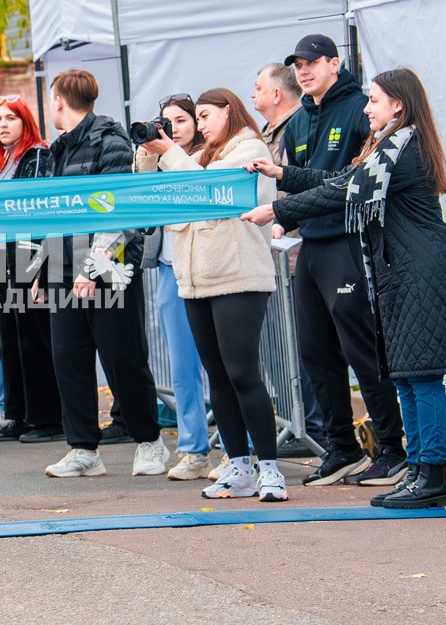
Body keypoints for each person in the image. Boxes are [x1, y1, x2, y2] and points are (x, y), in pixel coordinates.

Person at [245, 68, 446, 508]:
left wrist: (278, 207)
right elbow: (339, 180)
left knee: (422, 379)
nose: (367, 109)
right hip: (398, 271)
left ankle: (433, 475)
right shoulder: (390, 145)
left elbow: (344, 191)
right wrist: (282, 172)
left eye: (375, 101)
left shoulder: (403, 147)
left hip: (417, 272)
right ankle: (418, 470)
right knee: (404, 376)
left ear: (397, 105)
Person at [140, 88, 286, 502]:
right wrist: (150, 150)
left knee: (242, 372)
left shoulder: (249, 147)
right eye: (196, 117)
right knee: (218, 377)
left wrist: (169, 150)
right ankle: (238, 465)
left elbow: (204, 190)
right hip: (196, 279)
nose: (200, 124)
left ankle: (269, 469)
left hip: (238, 277)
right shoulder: (202, 155)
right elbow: (155, 190)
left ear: (229, 111)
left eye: (205, 115)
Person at [278, 35, 406, 488]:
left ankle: (393, 449)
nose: (304, 70)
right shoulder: (297, 123)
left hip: (348, 243)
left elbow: (352, 179)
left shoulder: (358, 109)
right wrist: (282, 219)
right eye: (297, 64)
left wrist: (286, 205)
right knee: (315, 351)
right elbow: (297, 185)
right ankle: (342, 448)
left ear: (335, 63)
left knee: (361, 350)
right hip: (309, 247)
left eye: (312, 62)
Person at [42, 69, 168, 479]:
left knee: (123, 359)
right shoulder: (54, 151)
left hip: (109, 271)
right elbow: (48, 215)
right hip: (64, 269)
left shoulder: (111, 142)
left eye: (51, 99)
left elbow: (116, 211)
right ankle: (83, 449)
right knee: (69, 361)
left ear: (59, 100)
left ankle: (149, 442)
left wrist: (91, 268)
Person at [133, 95, 213, 480]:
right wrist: (150, 152)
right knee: (183, 368)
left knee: (221, 364)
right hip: (168, 269)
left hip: (205, 269)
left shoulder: (207, 156)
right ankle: (194, 450)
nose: (174, 129)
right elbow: (141, 196)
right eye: (167, 122)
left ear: (197, 123)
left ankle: (237, 449)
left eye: (182, 120)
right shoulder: (161, 159)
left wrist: (171, 152)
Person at [0, 95, 64, 444]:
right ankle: (18, 414)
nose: (2, 125)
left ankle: (47, 417)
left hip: (27, 254)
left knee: (33, 338)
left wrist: (43, 267)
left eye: (10, 118)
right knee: (9, 341)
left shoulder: (38, 155)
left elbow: (40, 210)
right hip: (1, 254)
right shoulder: (3, 161)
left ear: (25, 122)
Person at [252, 62, 323, 454]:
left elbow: (300, 183)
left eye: (258, 86)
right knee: (284, 346)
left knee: (301, 345)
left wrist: (283, 220)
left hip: (296, 251)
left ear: (277, 93)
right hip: (276, 255)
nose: (253, 94)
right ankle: (295, 420)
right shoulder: (268, 134)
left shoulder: (300, 127)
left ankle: (310, 424)